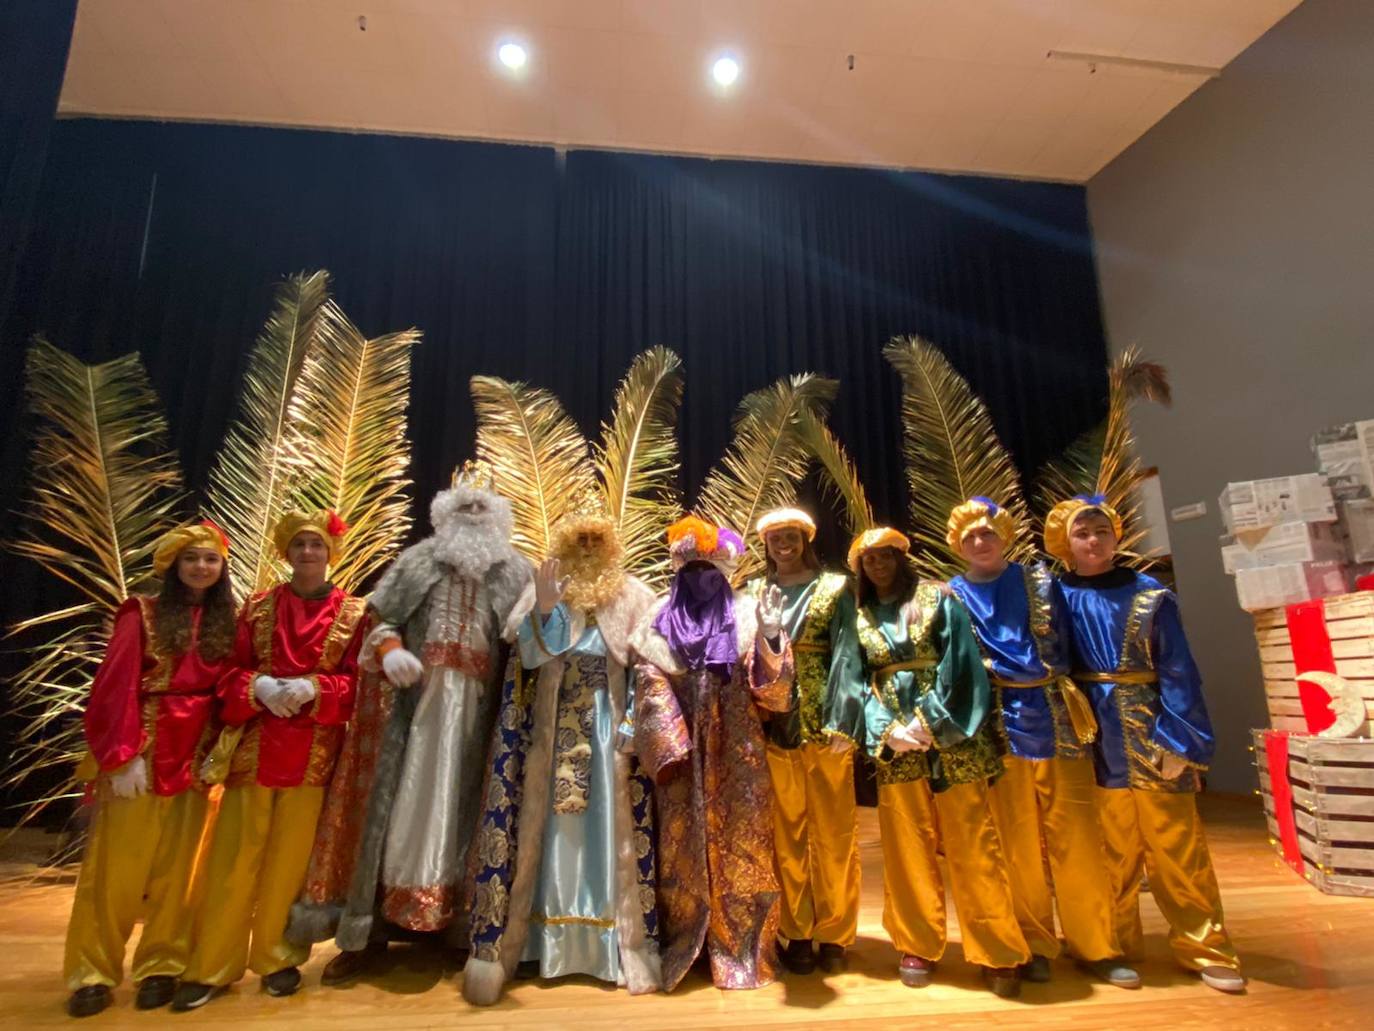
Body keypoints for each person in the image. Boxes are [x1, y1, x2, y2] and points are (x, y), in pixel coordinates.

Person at [317, 462, 532, 985]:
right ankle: (367, 932)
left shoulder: (516, 572)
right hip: (412, 715)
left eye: (483, 507)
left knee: (470, 812)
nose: (474, 514)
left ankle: (461, 927)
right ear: (445, 512)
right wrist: (390, 650)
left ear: (499, 515)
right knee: (393, 813)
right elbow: (381, 620)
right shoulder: (417, 562)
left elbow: (529, 642)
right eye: (465, 506)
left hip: (480, 720)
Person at [463, 491, 661, 1003]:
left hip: (609, 728)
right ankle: (544, 942)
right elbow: (530, 657)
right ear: (566, 545)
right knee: (553, 834)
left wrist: (634, 720)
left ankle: (610, 946)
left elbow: (647, 669)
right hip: (554, 729)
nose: (589, 548)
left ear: (610, 545)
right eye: (581, 540)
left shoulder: (635, 596)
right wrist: (546, 610)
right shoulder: (544, 590)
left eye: (597, 539)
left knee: (608, 831)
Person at [1047, 494, 1245, 994]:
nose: (1093, 541)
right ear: (1065, 542)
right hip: (1089, 732)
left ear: (1116, 535)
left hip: (1150, 727)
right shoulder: (1054, 596)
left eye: (1101, 531)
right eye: (1081, 533)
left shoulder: (1150, 595)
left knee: (1176, 843)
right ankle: (1107, 943)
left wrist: (1180, 739)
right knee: (1105, 846)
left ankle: (1204, 946)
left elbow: (1179, 669)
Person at [171, 510, 365, 1010]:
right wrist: (257, 686)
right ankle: (211, 965)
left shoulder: (354, 614)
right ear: (286, 551)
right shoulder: (257, 608)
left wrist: (315, 688)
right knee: (234, 861)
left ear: (330, 553)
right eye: (299, 544)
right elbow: (227, 673)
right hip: (254, 749)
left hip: (313, 755)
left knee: (288, 866)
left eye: (316, 545)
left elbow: (360, 686)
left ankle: (278, 958)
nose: (308, 553)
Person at [827, 527, 1028, 998]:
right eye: (869, 559)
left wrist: (930, 721)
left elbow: (961, 664)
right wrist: (886, 730)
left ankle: (996, 947)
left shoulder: (939, 601)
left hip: (953, 737)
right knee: (906, 845)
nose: (878, 565)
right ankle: (917, 942)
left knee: (974, 841)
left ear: (901, 558)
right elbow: (852, 679)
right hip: (896, 746)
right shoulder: (857, 617)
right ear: (860, 568)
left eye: (886, 556)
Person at [946, 498, 1138, 989]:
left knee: (1078, 833)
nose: (981, 542)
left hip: (1055, 713)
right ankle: (1033, 943)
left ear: (1004, 536)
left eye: (988, 533)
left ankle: (1096, 944)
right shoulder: (951, 596)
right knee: (1017, 840)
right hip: (997, 722)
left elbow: (1078, 645)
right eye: (970, 537)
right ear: (958, 545)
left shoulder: (1042, 582)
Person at [62, 522, 236, 1017]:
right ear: (173, 566)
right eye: (191, 559)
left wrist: (222, 752)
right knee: (116, 871)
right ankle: (93, 973)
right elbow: (113, 685)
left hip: (198, 753)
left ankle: (162, 964)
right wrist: (121, 755)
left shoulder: (230, 620)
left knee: (181, 872)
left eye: (211, 559)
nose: (201, 567)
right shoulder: (141, 613)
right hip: (145, 746)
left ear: (222, 568)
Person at [628, 514, 790, 990]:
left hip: (737, 750)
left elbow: (775, 694)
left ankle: (743, 945)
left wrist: (771, 639)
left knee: (744, 845)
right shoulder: (656, 622)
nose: (702, 580)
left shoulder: (746, 616)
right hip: (681, 756)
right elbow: (648, 683)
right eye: (692, 571)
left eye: (710, 572)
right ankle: (686, 939)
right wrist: (669, 744)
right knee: (679, 847)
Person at [744, 507, 859, 976]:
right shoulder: (754, 591)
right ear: (766, 545)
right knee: (786, 834)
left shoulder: (834, 587)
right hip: (775, 725)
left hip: (824, 722)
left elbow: (847, 653)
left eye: (791, 535)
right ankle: (796, 931)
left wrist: (844, 718)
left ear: (806, 538)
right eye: (775, 537)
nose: (784, 543)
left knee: (834, 831)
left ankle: (834, 932)